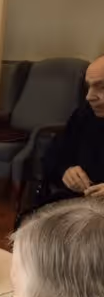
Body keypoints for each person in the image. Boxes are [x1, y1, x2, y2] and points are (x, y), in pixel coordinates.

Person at [42, 55, 104, 204]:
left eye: (102, 87)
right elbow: (52, 155)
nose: (89, 97)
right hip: (78, 207)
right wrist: (65, 170)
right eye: (89, 86)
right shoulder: (84, 114)